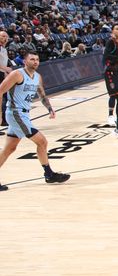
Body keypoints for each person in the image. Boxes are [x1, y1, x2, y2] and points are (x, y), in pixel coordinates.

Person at [0, 50, 70, 191]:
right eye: (32, 59)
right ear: (25, 61)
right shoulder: (17, 74)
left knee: (9, 149)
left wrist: (49, 109)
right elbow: (0, 90)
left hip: (24, 115)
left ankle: (49, 175)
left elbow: (42, 94)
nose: (35, 62)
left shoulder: (37, 77)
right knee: (42, 141)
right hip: (15, 114)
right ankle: (49, 174)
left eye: (37, 59)